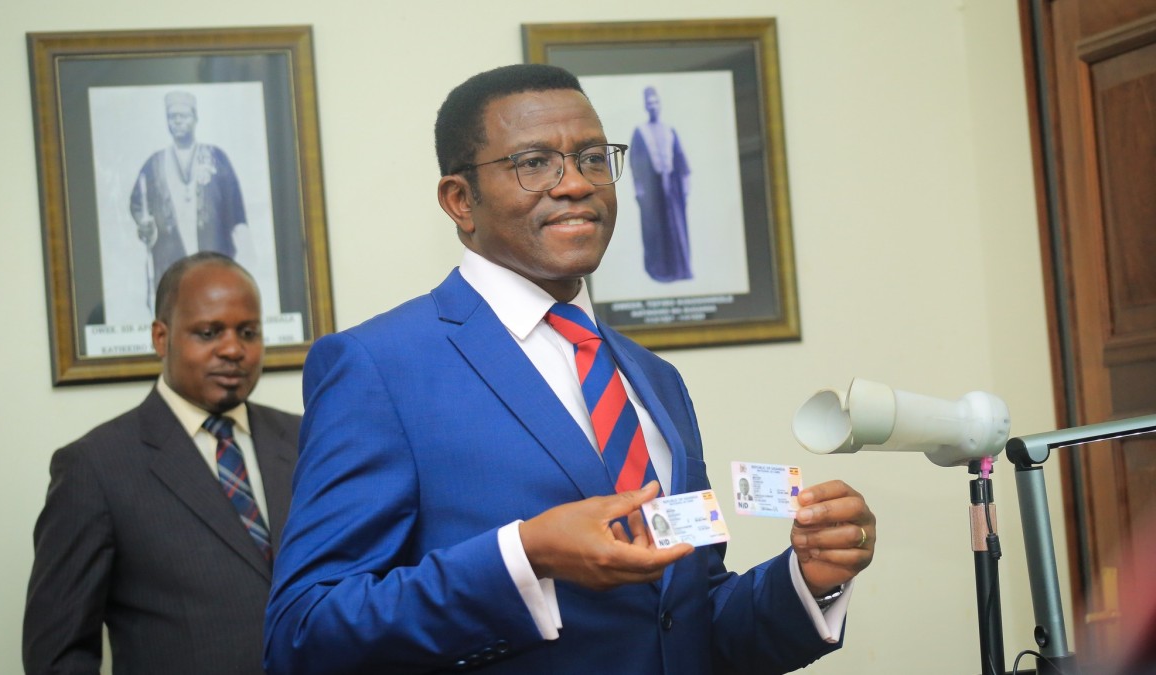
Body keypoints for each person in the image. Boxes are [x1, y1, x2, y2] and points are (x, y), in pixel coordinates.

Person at [264, 64, 876, 675]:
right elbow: (304, 632)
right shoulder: (379, 367)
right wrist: (525, 557)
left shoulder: (653, 378)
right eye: (534, 162)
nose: (576, 184)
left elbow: (683, 618)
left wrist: (806, 580)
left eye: (590, 157)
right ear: (460, 200)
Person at [24, 252, 299, 674]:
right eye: (208, 333)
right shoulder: (94, 467)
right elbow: (58, 655)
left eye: (248, 332)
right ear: (160, 337)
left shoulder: (306, 440)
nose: (233, 349)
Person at [130, 91, 248, 310]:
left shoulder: (215, 157)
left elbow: (234, 201)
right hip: (171, 252)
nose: (177, 121)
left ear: (195, 118)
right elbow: (138, 202)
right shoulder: (155, 163)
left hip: (212, 250)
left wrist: (240, 233)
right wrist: (145, 223)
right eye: (172, 117)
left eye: (183, 116)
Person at [630, 85, 692, 282]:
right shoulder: (640, 133)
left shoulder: (669, 130)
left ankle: (679, 270)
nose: (653, 106)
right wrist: (640, 191)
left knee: (676, 227)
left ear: (660, 104)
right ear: (645, 106)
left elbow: (681, 159)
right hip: (652, 191)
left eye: (656, 102)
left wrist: (685, 186)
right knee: (655, 231)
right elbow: (635, 164)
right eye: (650, 103)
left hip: (672, 189)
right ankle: (660, 271)